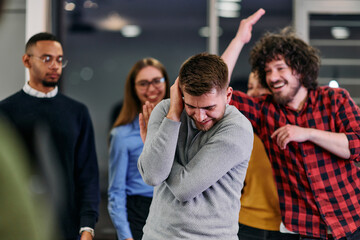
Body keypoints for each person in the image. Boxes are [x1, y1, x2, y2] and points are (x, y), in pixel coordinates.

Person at [222, 9, 360, 240]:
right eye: (267, 71)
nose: (272, 78)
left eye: (280, 68)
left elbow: (357, 145)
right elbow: (214, 90)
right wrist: (239, 41)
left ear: (299, 68)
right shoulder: (264, 111)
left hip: (353, 221)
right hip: (306, 231)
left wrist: (307, 133)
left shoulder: (335, 99)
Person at [137, 52, 253, 240]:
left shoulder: (237, 129)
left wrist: (158, 151)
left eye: (209, 108)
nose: (200, 117)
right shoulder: (165, 110)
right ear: (180, 95)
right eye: (191, 106)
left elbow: (184, 189)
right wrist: (174, 115)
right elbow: (152, 176)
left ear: (228, 95)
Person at [0, 32, 100, 240]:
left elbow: (87, 173)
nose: (55, 66)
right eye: (47, 59)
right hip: (21, 225)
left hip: (68, 227)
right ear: (27, 60)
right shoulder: (5, 112)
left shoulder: (77, 112)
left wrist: (87, 227)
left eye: (59, 60)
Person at [108, 58, 170, 240]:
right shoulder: (121, 135)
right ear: (133, 89)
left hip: (172, 212)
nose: (151, 89)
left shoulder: (180, 127)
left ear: (166, 82)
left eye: (157, 81)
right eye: (143, 83)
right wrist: (125, 236)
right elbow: (116, 192)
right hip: (139, 213)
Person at [238, 71, 299, 240]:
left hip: (288, 226)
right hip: (246, 221)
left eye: (261, 87)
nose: (254, 92)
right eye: (250, 87)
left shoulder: (292, 131)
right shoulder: (243, 130)